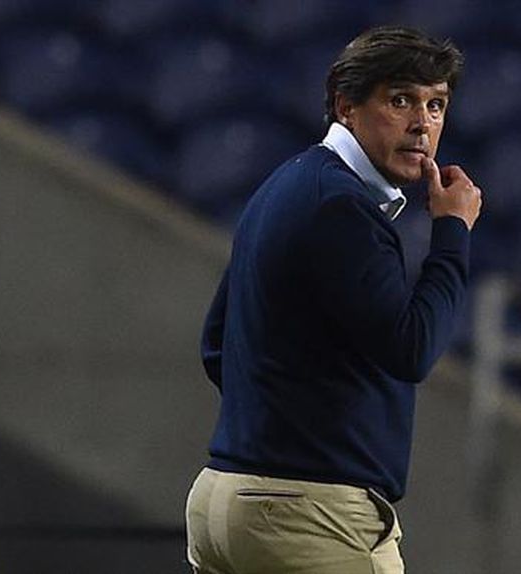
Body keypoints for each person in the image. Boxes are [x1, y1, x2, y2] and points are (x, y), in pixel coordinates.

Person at [185, 26, 481, 573]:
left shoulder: (289, 183)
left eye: (436, 105)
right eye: (400, 100)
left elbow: (216, 343)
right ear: (346, 106)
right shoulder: (340, 208)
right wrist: (452, 233)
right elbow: (412, 349)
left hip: (225, 499)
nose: (422, 124)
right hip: (308, 513)